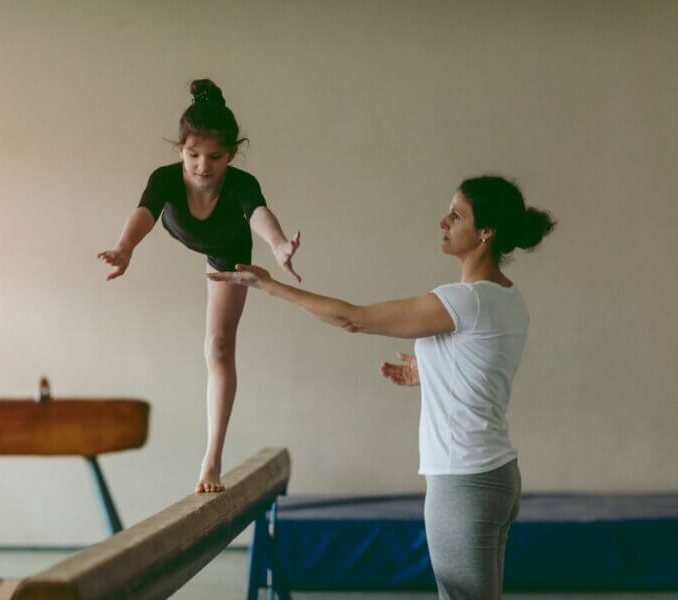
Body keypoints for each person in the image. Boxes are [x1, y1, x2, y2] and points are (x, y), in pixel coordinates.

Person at [208, 176, 555, 599]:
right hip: (499, 477)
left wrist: (268, 285)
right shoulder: (509, 298)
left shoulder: (463, 301)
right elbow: (485, 367)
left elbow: (353, 318)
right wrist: (431, 372)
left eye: (457, 215)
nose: (442, 221)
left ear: (487, 232)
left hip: (463, 481)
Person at [97, 79, 302, 494]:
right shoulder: (166, 179)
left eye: (215, 157)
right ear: (180, 149)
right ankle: (210, 459)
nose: (203, 166)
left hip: (228, 252)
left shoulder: (241, 184)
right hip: (184, 232)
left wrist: (278, 244)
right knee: (213, 346)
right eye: (193, 155)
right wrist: (124, 248)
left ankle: (211, 460)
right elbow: (144, 213)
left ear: (232, 154)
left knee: (218, 347)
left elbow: (259, 213)